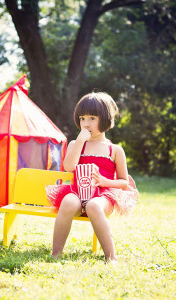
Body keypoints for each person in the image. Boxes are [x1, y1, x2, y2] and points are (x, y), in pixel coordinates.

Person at [46, 92, 138, 263]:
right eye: (82, 119)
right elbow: (69, 167)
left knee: (94, 206)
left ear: (105, 119)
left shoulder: (115, 150)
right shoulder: (76, 144)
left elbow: (124, 182)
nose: (86, 124)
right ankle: (56, 253)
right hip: (78, 190)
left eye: (91, 118)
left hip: (104, 195)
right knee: (68, 202)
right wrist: (80, 142)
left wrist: (105, 181)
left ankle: (111, 257)